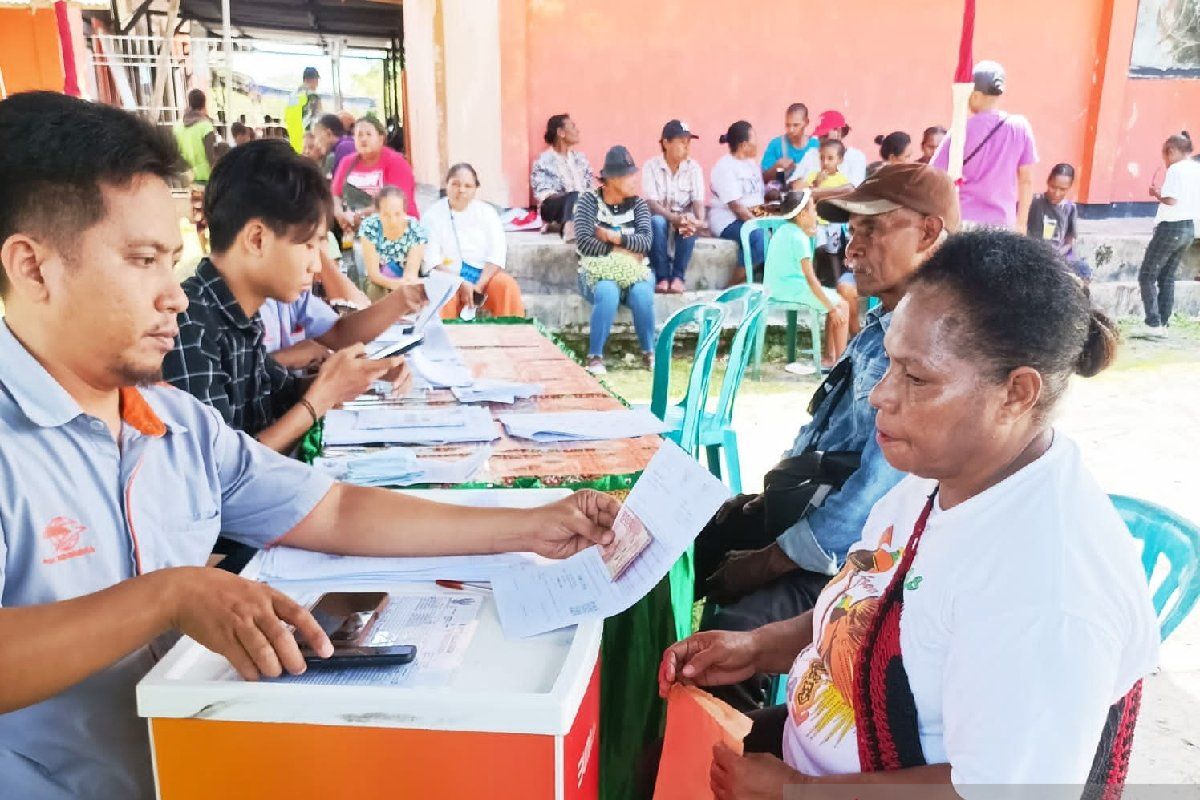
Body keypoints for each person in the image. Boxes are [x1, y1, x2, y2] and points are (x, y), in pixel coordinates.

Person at [0, 90, 620, 800]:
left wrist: (530, 527)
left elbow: (332, 513)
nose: (173, 294)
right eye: (143, 260)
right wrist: (166, 597)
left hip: (207, 764)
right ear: (33, 267)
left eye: (172, 260)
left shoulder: (176, 426)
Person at [661, 230, 1158, 797]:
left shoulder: (1051, 589)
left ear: (1016, 393)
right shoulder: (938, 475)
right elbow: (864, 604)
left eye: (916, 377)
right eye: (890, 364)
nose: (880, 395)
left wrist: (795, 792)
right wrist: (755, 647)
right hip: (815, 761)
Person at [691, 164, 959, 711]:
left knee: (730, 641)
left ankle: (736, 758)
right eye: (850, 233)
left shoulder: (930, 349)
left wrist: (765, 562)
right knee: (678, 539)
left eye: (871, 231)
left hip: (861, 560)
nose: (852, 250)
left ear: (928, 234)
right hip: (808, 516)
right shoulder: (883, 325)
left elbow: (871, 501)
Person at [163, 140, 426, 455]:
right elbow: (221, 471)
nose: (316, 266)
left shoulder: (239, 311)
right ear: (257, 239)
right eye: (309, 245)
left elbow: (281, 392)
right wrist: (322, 396)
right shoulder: (190, 325)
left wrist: (357, 376)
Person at [573, 145, 655, 375]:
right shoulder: (588, 201)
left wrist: (613, 236)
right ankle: (595, 357)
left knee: (641, 293)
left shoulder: (639, 205)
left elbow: (645, 242)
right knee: (608, 290)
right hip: (595, 272)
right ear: (611, 179)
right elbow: (585, 243)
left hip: (635, 272)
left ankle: (650, 352)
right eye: (628, 175)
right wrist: (624, 250)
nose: (634, 180)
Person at [931, 60, 1038, 231]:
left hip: (963, 222)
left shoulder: (960, 130)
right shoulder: (1020, 126)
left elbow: (935, 175)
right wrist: (1021, 223)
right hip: (1003, 226)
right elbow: (1026, 180)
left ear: (975, 95)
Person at [423, 162, 526, 319]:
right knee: (443, 295)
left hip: (483, 276)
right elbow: (432, 261)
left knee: (506, 286)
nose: (461, 190)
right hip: (448, 277)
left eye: (468, 186)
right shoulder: (432, 216)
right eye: (455, 184)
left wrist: (479, 285)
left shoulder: (487, 213)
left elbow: (496, 255)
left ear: (476, 188)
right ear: (447, 185)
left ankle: (511, 337)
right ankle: (446, 341)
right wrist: (459, 283)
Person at [762, 190, 849, 373]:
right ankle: (841, 365)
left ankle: (829, 358)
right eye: (813, 211)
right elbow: (810, 279)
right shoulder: (799, 239)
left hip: (778, 287)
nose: (816, 215)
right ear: (802, 215)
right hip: (791, 289)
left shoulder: (785, 231)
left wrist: (810, 232)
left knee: (832, 299)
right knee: (842, 306)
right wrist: (832, 309)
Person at [1135, 131, 1200, 339]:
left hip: (1171, 227)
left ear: (1171, 151)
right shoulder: (1196, 169)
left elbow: (1171, 200)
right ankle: (1163, 321)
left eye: (1165, 156)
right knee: (1167, 276)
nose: (1165, 161)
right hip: (1190, 228)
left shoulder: (1176, 170)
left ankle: (1153, 324)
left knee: (1147, 274)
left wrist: (1156, 193)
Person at [643, 119, 706, 294]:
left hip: (682, 220)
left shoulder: (694, 168)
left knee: (690, 221)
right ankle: (662, 277)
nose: (687, 146)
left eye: (688, 142)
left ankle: (678, 277)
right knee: (656, 221)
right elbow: (652, 203)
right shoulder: (651, 166)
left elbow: (698, 202)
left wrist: (698, 220)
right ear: (666, 143)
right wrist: (673, 218)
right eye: (682, 142)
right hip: (661, 220)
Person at [803, 140, 860, 334]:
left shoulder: (841, 179)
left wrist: (818, 192)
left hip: (834, 225)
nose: (825, 162)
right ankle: (819, 282)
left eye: (830, 158)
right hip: (816, 225)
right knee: (820, 245)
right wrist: (816, 185)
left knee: (835, 245)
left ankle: (838, 281)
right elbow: (804, 194)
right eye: (822, 158)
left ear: (840, 160)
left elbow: (850, 189)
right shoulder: (813, 176)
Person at [331, 116, 419, 234]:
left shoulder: (396, 162)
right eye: (359, 135)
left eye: (368, 134)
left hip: (396, 230)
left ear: (381, 138)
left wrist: (362, 214)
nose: (363, 139)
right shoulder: (347, 162)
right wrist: (338, 212)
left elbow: (398, 202)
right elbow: (335, 194)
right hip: (357, 231)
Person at [710, 120, 767, 285]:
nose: (757, 144)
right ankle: (731, 286)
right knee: (758, 238)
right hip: (729, 221)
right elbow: (736, 207)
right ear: (743, 145)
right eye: (753, 140)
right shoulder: (724, 167)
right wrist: (760, 224)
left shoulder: (750, 164)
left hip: (752, 216)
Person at [358, 186, 428, 299]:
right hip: (379, 281)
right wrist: (395, 285)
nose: (393, 221)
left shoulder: (415, 228)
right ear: (378, 212)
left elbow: (411, 272)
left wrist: (404, 284)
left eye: (398, 214)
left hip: (406, 279)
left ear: (405, 211)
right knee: (376, 290)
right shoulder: (369, 227)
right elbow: (374, 274)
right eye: (386, 215)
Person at [531, 113, 595, 234]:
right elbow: (544, 195)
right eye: (573, 127)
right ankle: (571, 226)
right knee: (574, 197)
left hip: (582, 207)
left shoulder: (580, 159)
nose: (577, 131)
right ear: (561, 132)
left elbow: (590, 186)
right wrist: (572, 198)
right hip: (555, 210)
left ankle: (575, 224)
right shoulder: (544, 161)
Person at [1027, 163, 1091, 281]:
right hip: (1034, 253)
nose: (1056, 193)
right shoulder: (1033, 202)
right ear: (1048, 181)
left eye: (1063, 189)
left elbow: (1069, 242)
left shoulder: (1070, 208)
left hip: (1058, 256)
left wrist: (1056, 254)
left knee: (1084, 270)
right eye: (1053, 187)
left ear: (1070, 187)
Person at [794, 110, 868, 187]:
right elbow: (794, 181)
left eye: (825, 136)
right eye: (819, 136)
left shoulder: (856, 157)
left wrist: (813, 192)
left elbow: (853, 189)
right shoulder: (811, 153)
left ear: (839, 131)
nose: (821, 140)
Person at [761, 103, 819, 189]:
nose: (791, 130)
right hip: (783, 198)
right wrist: (776, 168)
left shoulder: (816, 145)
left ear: (806, 122)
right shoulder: (776, 145)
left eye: (796, 125)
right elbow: (762, 180)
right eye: (787, 125)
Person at [173, 89, 218, 184]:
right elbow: (211, 156)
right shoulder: (206, 126)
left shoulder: (177, 126)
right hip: (204, 178)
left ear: (189, 103)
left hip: (185, 177)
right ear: (204, 105)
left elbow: (175, 152)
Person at [285, 65, 321, 153]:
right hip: (307, 141)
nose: (317, 84)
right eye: (317, 80)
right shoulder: (312, 95)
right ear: (314, 79)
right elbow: (316, 119)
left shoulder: (293, 95)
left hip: (293, 138)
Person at [313, 113, 355, 178]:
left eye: (316, 136)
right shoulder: (347, 143)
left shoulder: (343, 148)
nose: (315, 142)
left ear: (328, 133)